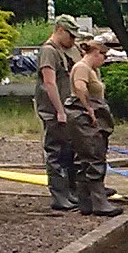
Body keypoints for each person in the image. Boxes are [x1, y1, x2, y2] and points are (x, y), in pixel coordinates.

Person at [66, 34, 121, 216]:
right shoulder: (82, 67)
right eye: (104, 56)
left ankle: (86, 202)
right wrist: (88, 108)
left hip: (86, 117)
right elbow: (80, 87)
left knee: (85, 159)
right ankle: (99, 203)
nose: (104, 61)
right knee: (93, 156)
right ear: (96, 52)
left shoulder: (90, 69)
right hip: (84, 118)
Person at [34, 17, 84, 213]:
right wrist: (59, 110)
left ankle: (70, 192)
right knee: (55, 153)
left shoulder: (64, 50)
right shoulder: (48, 51)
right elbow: (49, 83)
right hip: (53, 111)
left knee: (68, 152)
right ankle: (59, 196)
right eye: (70, 35)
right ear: (60, 30)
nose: (73, 40)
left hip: (65, 109)